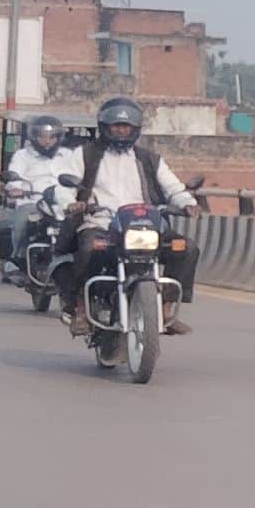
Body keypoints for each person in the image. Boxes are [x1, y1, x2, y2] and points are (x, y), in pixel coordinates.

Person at [60, 97, 198, 336]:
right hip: (101, 223)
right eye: (116, 126)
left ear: (136, 130)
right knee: (88, 248)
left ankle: (166, 307)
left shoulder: (149, 159)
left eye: (126, 127)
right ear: (104, 127)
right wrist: (71, 204)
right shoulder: (85, 154)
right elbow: (64, 186)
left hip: (144, 226)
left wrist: (187, 204)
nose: (121, 131)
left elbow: (174, 188)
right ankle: (81, 308)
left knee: (186, 248)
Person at [0, 115, 82, 281]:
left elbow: (78, 177)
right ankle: (17, 259)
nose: (47, 141)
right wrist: (16, 189)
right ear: (34, 137)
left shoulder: (69, 155)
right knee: (22, 220)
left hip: (63, 203)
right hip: (33, 202)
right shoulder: (23, 155)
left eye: (52, 137)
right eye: (42, 137)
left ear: (59, 138)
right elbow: (14, 177)